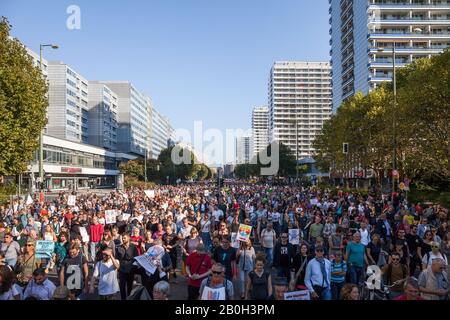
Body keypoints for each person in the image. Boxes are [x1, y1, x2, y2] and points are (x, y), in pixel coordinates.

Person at [115, 233, 139, 300]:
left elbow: (136, 258)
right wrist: (117, 270)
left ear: (128, 238)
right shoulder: (119, 247)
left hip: (131, 270)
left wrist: (135, 271)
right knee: (122, 287)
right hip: (122, 270)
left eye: (124, 238)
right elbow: (117, 260)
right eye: (122, 238)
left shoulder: (133, 247)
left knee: (130, 287)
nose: (123, 239)